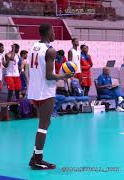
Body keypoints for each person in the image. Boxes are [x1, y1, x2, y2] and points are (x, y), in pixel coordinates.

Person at [27, 23, 73, 170]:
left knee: (44, 123)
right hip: (45, 92)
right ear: (48, 33)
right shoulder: (50, 51)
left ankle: (35, 156)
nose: (55, 34)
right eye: (53, 32)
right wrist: (64, 76)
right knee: (43, 125)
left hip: (34, 91)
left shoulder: (33, 47)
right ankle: (38, 159)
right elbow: (49, 75)